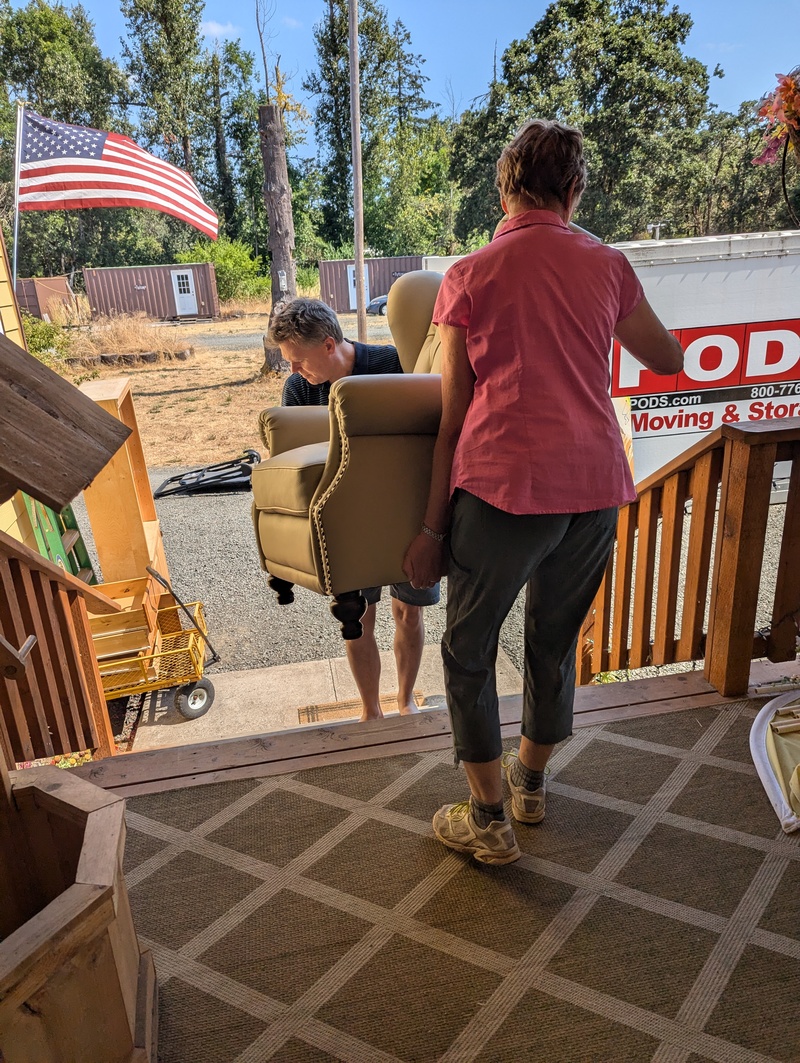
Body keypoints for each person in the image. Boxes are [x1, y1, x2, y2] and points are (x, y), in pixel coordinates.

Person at [403, 119, 684, 865]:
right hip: (593, 485)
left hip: (502, 487)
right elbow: (668, 356)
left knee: (468, 649)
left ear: (505, 186)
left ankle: (488, 818)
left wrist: (431, 529)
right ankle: (529, 785)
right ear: (576, 189)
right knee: (552, 646)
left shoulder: (471, 274)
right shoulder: (608, 264)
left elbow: (454, 416)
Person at [268, 297, 440, 723]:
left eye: (298, 360)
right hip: (346, 518)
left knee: (409, 612)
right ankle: (371, 710)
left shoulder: (395, 364)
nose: (294, 371)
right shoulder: (300, 390)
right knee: (358, 618)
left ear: (329, 345)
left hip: (404, 511)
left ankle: (405, 700)